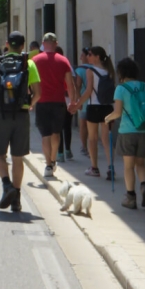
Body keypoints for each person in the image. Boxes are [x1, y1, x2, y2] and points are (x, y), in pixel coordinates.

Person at [0, 31, 41, 212]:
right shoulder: (29, 64)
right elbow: (38, 93)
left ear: (7, 44)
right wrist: (29, 105)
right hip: (21, 115)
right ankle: (16, 198)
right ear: (23, 46)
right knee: (18, 157)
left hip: (1, 114)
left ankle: (6, 184)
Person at [105, 58, 145, 209]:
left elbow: (117, 112)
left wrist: (107, 118)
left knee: (128, 166)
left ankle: (130, 197)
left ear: (121, 72)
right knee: (140, 164)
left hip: (127, 132)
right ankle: (144, 185)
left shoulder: (121, 89)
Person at [32, 33, 78, 179]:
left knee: (45, 135)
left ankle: (48, 165)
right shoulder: (63, 61)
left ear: (43, 43)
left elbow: (29, 82)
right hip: (59, 102)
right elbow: (70, 85)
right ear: (56, 43)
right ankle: (53, 160)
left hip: (42, 101)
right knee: (56, 134)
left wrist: (30, 100)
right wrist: (73, 102)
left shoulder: (35, 60)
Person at [73, 46, 116, 180]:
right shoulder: (109, 71)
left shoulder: (90, 71)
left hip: (94, 108)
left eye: (90, 54)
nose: (88, 56)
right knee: (106, 139)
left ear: (97, 57)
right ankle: (111, 167)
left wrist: (77, 104)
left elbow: (88, 91)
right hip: (107, 108)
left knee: (92, 139)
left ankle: (94, 168)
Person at [74, 49, 92, 157]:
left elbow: (78, 86)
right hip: (94, 100)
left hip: (84, 100)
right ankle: (90, 147)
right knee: (91, 126)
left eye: (82, 55)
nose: (80, 57)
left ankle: (84, 147)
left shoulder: (80, 70)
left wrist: (78, 100)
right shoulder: (95, 69)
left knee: (83, 125)